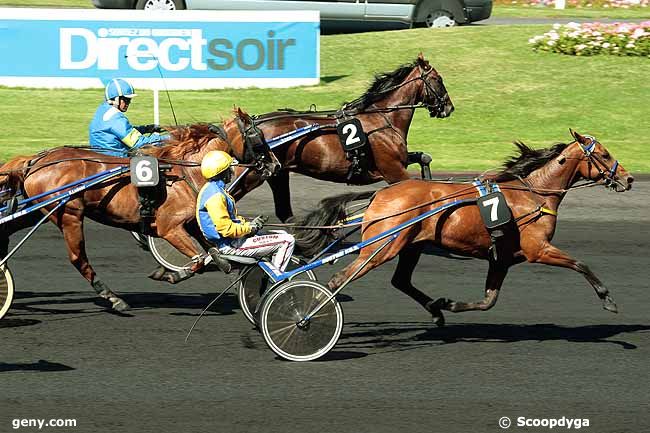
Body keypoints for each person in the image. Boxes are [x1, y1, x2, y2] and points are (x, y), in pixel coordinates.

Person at [197, 150, 295, 273]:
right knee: (288, 240)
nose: (232, 172)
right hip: (231, 245)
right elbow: (226, 229)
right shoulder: (216, 196)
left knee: (281, 232)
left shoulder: (212, 189)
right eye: (229, 168)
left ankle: (269, 272)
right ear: (223, 172)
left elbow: (230, 221)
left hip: (232, 241)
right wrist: (250, 228)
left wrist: (250, 223)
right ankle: (277, 283)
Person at [89, 78, 167, 157]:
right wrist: (169, 138)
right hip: (116, 160)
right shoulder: (115, 118)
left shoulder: (103, 109)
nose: (128, 103)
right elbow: (139, 143)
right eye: (126, 100)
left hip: (101, 155)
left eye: (129, 100)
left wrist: (145, 129)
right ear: (116, 99)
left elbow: (125, 132)